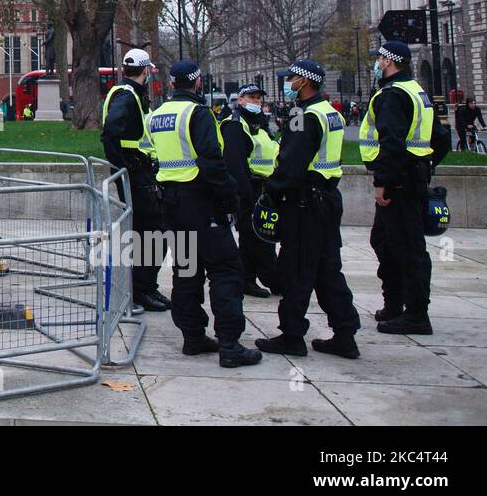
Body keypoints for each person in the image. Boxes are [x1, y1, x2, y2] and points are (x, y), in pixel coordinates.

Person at [147, 60, 261, 367]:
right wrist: (229, 197)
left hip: (171, 203)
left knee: (186, 271)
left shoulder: (157, 115)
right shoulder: (198, 114)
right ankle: (230, 343)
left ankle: (193, 336)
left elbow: (152, 156)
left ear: (171, 84)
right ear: (198, 83)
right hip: (200, 202)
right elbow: (212, 160)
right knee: (225, 269)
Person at [255, 59, 361, 359]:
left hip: (305, 202)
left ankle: (291, 335)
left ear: (305, 81)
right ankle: (345, 333)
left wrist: (271, 192)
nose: (288, 83)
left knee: (296, 268)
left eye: (291, 78)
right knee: (328, 269)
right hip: (327, 198)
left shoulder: (302, 114)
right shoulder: (329, 112)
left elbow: (291, 164)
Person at [361, 41, 450, 335]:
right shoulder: (416, 91)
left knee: (407, 247)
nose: (377, 62)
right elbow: (441, 138)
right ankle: (395, 303)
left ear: (389, 61)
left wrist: (382, 182)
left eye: (380, 58)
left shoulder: (391, 95)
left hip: (398, 180)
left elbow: (392, 142)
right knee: (385, 241)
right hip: (411, 175)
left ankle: (416, 315)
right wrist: (424, 164)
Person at [100, 48, 171, 313]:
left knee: (147, 232)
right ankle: (142, 290)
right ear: (146, 71)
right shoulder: (127, 96)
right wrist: (125, 166)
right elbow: (110, 135)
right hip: (136, 173)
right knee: (153, 232)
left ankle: (145, 287)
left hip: (138, 171)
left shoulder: (128, 93)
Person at [219, 84, 279, 297]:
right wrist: (245, 195)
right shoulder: (236, 125)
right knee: (256, 237)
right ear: (240, 100)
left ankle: (247, 278)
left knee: (256, 236)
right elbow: (234, 163)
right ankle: (272, 279)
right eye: (251, 98)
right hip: (250, 189)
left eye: (258, 98)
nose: (256, 102)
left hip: (264, 187)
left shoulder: (260, 124)